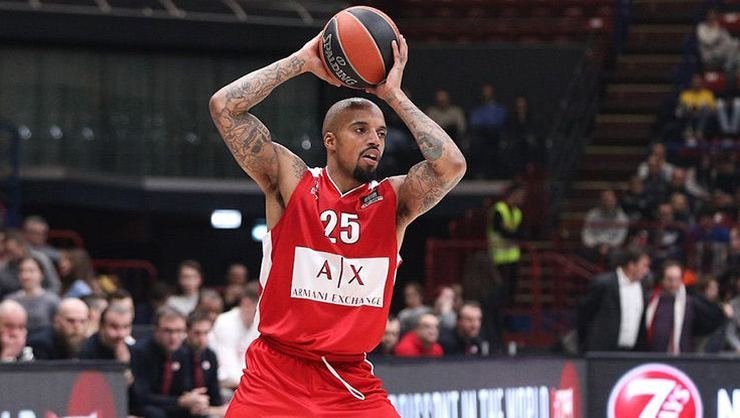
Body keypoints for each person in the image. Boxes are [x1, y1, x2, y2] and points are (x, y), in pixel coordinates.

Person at [209, 32, 465, 417]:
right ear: (330, 140)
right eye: (360, 129)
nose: (374, 140)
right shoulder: (293, 181)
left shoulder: (394, 201)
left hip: (349, 380)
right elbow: (224, 107)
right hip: (276, 375)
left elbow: (452, 166)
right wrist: (300, 62)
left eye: (380, 133)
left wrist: (393, 96)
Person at [130, 306, 209, 418]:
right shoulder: (140, 352)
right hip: (144, 408)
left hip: (173, 407)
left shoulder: (184, 353)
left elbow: (185, 390)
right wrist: (179, 401)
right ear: (156, 330)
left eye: (179, 331)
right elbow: (142, 397)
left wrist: (195, 400)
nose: (174, 337)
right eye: (168, 331)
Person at [577, 248, 651, 352]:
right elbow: (584, 314)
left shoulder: (643, 286)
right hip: (603, 351)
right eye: (644, 266)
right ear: (631, 265)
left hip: (632, 352)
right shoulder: (604, 284)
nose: (647, 271)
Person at [645, 261, 726, 353]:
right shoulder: (650, 301)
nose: (673, 284)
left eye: (677, 279)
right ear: (662, 280)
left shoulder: (690, 303)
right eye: (669, 279)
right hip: (652, 356)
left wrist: (722, 312)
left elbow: (708, 324)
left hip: (682, 356)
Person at [207, 285, 259, 393]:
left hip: (247, 384)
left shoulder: (259, 325)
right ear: (246, 303)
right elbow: (227, 365)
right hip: (224, 383)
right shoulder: (225, 322)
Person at [183, 310, 224, 417]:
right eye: (197, 333)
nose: (202, 339)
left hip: (205, 409)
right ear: (187, 332)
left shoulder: (210, 355)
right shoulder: (178, 354)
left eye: (206, 333)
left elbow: (215, 395)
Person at [6, 256, 61, 332]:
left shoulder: (52, 301)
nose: (26, 276)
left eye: (31, 271)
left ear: (41, 274)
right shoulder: (10, 301)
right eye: (22, 271)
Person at [581, 189, 629, 264]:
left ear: (615, 200)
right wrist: (596, 245)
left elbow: (620, 238)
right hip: (594, 245)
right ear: (601, 200)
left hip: (612, 247)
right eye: (605, 200)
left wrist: (608, 245)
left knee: (617, 255)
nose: (607, 202)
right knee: (584, 252)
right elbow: (586, 233)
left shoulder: (622, 217)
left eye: (610, 200)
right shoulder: (592, 214)